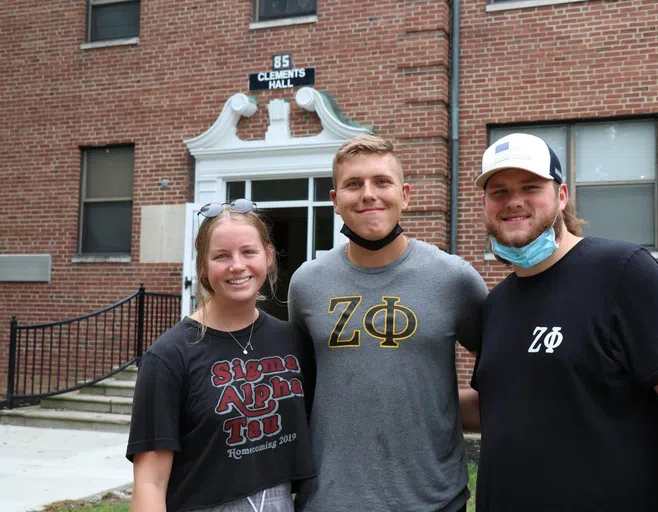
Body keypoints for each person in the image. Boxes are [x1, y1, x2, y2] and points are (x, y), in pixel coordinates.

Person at [459, 133, 658, 511]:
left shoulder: (622, 272)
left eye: (530, 187)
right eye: (498, 191)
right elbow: (503, 406)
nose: (513, 201)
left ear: (562, 195)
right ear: (485, 204)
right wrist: (405, 399)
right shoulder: (496, 303)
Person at [287, 135, 488, 512]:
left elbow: (497, 373)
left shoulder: (455, 279)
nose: (368, 194)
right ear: (335, 201)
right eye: (353, 184)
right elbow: (306, 387)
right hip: (329, 500)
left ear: (405, 194)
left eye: (381, 181)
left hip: (434, 500)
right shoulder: (306, 283)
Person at [127, 199, 315, 512]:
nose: (237, 265)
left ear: (268, 257)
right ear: (203, 266)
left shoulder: (293, 340)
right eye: (221, 256)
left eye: (248, 252)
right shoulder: (169, 357)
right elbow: (150, 483)